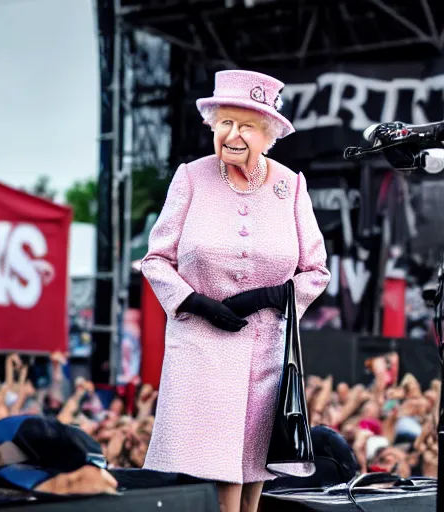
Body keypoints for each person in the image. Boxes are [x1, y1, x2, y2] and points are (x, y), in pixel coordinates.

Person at [141, 69, 331, 512]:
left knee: (253, 477)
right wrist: (195, 302)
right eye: (224, 123)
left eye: (246, 125)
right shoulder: (190, 177)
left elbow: (316, 270)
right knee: (219, 472)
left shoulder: (291, 186)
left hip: (265, 351)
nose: (232, 134)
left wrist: (269, 297)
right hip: (201, 349)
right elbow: (155, 259)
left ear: (267, 134)